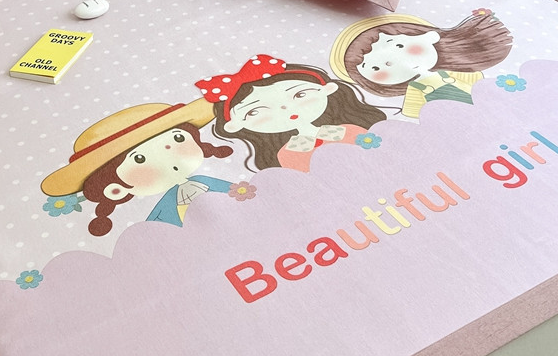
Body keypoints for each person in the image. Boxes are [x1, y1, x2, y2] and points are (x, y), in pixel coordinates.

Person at [41, 100, 233, 236]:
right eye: (139, 158)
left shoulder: (210, 182)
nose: (169, 150)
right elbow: (161, 232)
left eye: (178, 137)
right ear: (115, 190)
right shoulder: (162, 212)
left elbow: (238, 194)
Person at [196, 54, 386, 172]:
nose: (285, 109)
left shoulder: (350, 130)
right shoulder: (286, 155)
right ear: (233, 125)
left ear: (327, 89)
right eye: (255, 111)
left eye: (300, 94)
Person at [329, 13, 513, 121]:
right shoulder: (415, 92)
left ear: (430, 37)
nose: (389, 62)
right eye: (373, 67)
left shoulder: (458, 74)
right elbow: (417, 117)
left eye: (398, 45)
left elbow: (481, 88)